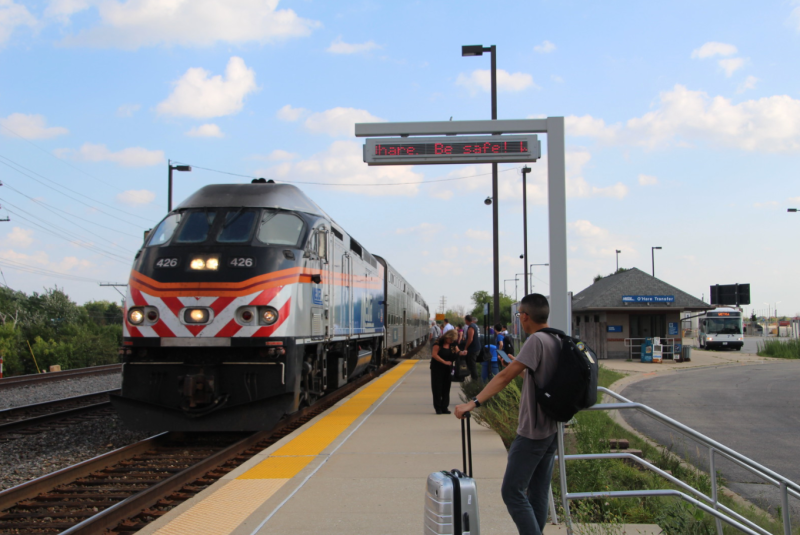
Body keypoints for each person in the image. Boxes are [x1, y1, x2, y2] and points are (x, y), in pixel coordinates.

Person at [454, 294, 560, 535]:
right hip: (551, 429)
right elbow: (541, 382)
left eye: (519, 314)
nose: (519, 318)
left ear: (524, 316)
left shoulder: (535, 341)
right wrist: (517, 366)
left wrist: (473, 402)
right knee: (538, 490)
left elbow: (503, 378)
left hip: (533, 431)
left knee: (511, 491)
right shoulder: (556, 338)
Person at [430, 329, 466, 414]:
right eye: (451, 339)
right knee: (437, 388)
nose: (452, 341)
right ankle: (438, 408)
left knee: (446, 388)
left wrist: (462, 353)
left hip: (448, 369)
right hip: (437, 368)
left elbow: (458, 352)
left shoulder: (453, 344)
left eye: (453, 340)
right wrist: (444, 362)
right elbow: (434, 355)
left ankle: (444, 407)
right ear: (447, 337)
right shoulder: (438, 343)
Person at [462, 314, 481, 380]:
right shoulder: (475, 325)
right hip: (477, 347)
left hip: (473, 349)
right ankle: (474, 378)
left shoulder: (471, 327)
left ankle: (475, 380)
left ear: (466, 320)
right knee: (472, 364)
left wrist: (465, 348)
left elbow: (470, 339)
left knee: (472, 365)